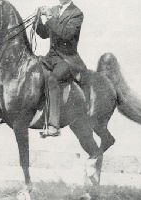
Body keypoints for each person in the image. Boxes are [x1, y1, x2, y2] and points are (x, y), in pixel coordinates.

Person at [36, 0, 86, 136]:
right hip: (51, 58)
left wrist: (50, 17)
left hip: (68, 60)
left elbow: (66, 34)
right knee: (32, 72)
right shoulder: (55, 9)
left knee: (53, 80)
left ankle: (54, 126)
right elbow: (44, 33)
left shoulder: (76, 13)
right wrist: (38, 20)